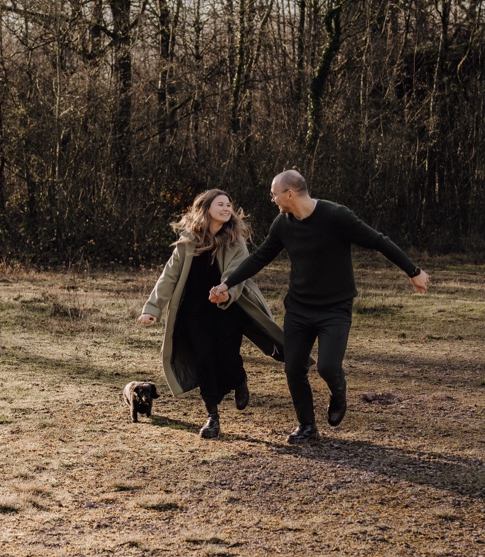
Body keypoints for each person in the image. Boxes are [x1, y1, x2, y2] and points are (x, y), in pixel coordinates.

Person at [211, 170, 429, 444]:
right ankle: (307, 426)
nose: (272, 199)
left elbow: (378, 241)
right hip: (299, 309)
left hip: (335, 308)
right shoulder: (282, 224)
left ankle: (338, 393)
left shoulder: (336, 216)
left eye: (274, 193)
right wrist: (227, 284)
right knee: (293, 368)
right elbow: (259, 258)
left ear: (289, 194)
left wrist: (413, 271)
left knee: (327, 366)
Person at [138, 189, 286, 439]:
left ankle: (239, 380)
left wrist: (225, 293)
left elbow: (238, 274)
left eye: (229, 204)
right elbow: (169, 276)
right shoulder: (188, 241)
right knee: (205, 360)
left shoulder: (236, 240)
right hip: (194, 314)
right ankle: (212, 417)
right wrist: (153, 308)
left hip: (227, 310)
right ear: (206, 209)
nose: (227, 208)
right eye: (221, 204)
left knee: (228, 359)